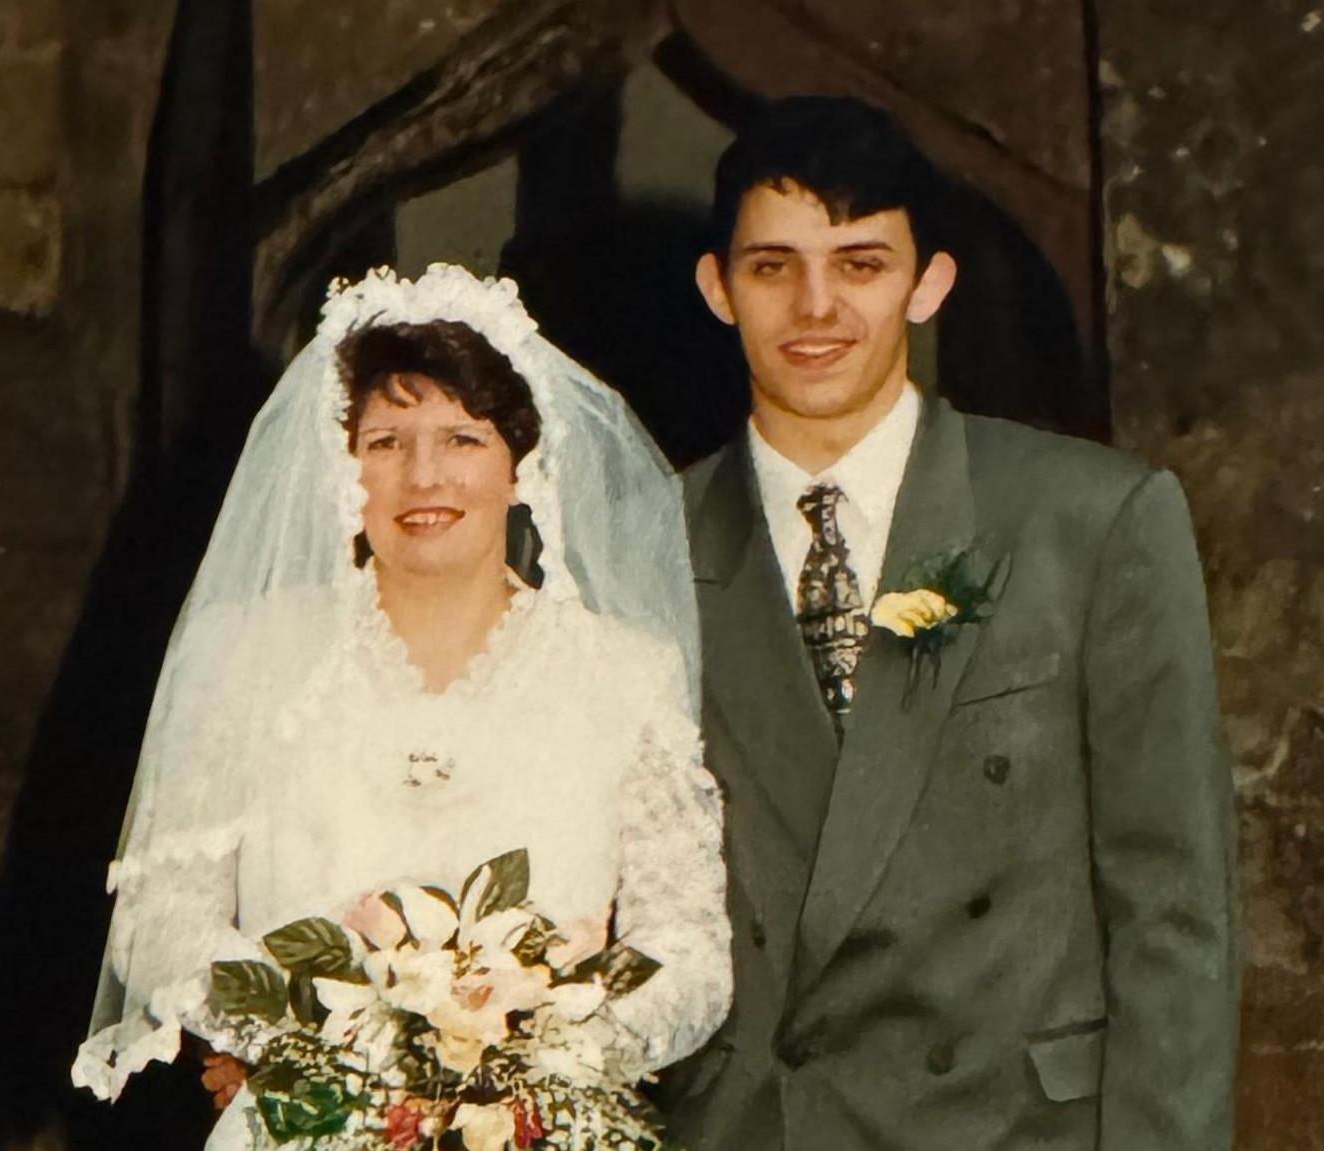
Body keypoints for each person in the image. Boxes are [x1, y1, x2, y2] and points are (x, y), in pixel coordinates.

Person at [653, 95, 1238, 1149]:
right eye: (772, 265)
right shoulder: (641, 545)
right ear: (716, 288)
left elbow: (1172, 907)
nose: (815, 305)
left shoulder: (1090, 521)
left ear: (930, 284)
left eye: (861, 262)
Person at [72, 265, 732, 1147]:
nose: (424, 476)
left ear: (520, 462)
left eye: (463, 437)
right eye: (385, 441)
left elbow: (688, 946)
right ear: (341, 465)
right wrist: (339, 1046)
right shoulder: (246, 653)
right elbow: (159, 917)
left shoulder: (622, 672)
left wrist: (542, 1051)